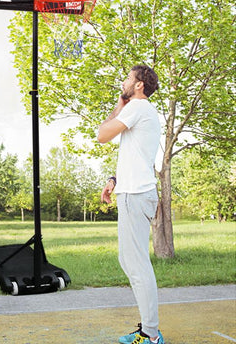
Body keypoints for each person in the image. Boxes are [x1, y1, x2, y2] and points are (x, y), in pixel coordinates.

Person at [98, 65, 164, 344]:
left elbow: (101, 134)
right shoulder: (141, 112)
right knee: (129, 261)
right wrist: (115, 179)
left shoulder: (137, 108)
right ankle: (148, 329)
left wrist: (118, 105)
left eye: (127, 78)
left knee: (137, 265)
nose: (123, 82)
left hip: (136, 195)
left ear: (139, 85)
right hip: (133, 191)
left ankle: (151, 334)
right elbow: (135, 153)